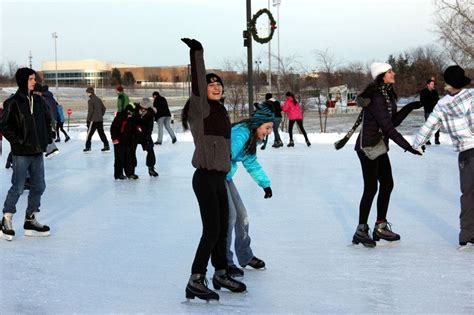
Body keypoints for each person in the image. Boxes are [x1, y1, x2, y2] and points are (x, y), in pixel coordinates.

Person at [181, 38, 246, 302]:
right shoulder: (201, 109)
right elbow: (197, 84)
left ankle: (220, 273)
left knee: (221, 229)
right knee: (211, 230)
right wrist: (197, 54)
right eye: (211, 83)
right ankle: (196, 279)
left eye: (219, 83)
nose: (216, 86)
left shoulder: (220, 110)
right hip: (205, 177)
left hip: (219, 177)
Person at [352, 62, 422, 248]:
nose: (394, 73)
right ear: (382, 75)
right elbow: (388, 128)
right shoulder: (376, 96)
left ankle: (380, 226)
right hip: (367, 147)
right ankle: (361, 229)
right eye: (390, 71)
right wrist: (409, 147)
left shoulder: (387, 94)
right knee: (371, 188)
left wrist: (410, 107)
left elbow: (392, 122)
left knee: (387, 183)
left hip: (379, 146)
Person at [412, 65, 473, 248]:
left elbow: (429, 126)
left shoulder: (442, 105)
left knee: (468, 194)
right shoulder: (471, 96)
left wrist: (417, 144)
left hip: (465, 154)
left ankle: (466, 234)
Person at [0, 67, 52, 241]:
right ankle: (6, 218)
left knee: (39, 186)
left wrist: (47, 139)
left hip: (37, 151)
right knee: (18, 186)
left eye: (34, 78)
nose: (34, 81)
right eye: (31, 79)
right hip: (22, 152)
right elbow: (4, 125)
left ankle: (30, 219)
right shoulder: (13, 102)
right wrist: (18, 141)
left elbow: (46, 120)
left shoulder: (38, 101)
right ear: (23, 81)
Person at [225, 105, 274, 278]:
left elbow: (251, 163)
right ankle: (226, 262)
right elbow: (227, 152)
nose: (269, 132)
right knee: (229, 217)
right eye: (267, 128)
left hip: (226, 176)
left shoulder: (252, 139)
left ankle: (245, 256)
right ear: (257, 125)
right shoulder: (241, 134)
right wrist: (229, 154)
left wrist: (265, 184)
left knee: (242, 216)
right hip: (217, 176)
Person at [134, 98, 159, 177]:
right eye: (142, 108)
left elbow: (150, 127)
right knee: (131, 151)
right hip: (134, 134)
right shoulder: (135, 111)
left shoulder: (150, 114)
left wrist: (147, 137)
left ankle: (151, 169)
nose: (143, 109)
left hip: (145, 135)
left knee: (150, 150)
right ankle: (130, 171)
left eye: (145, 108)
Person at [110, 105, 135, 180]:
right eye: (131, 112)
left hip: (126, 141)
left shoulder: (130, 119)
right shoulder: (120, 117)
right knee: (119, 158)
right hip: (119, 141)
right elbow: (113, 128)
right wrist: (114, 139)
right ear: (128, 111)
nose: (132, 114)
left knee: (128, 158)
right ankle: (118, 174)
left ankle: (129, 173)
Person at [84, 87, 110, 153]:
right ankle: (106, 146)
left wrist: (88, 119)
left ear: (90, 93)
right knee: (101, 133)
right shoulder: (98, 99)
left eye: (87, 92)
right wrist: (101, 115)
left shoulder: (90, 101)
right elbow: (104, 108)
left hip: (93, 120)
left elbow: (90, 111)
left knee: (89, 134)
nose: (86, 94)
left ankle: (88, 147)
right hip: (100, 120)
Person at [420, 79, 441, 145]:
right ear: (428, 84)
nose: (433, 85)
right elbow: (423, 102)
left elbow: (437, 100)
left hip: (435, 111)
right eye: (431, 84)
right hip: (428, 111)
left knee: (437, 125)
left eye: (433, 84)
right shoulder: (423, 92)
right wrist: (431, 102)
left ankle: (437, 139)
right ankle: (427, 140)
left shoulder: (435, 92)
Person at [41, 85, 60, 158]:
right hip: (53, 117)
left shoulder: (44, 98)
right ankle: (51, 149)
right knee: (49, 134)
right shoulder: (52, 98)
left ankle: (52, 149)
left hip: (48, 118)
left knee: (46, 134)